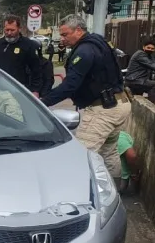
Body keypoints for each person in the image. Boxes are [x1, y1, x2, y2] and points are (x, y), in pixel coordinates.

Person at [41, 15, 131, 177]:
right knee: (109, 153)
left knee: (81, 155)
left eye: (65, 34)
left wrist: (43, 102)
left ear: (78, 30)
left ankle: (79, 196)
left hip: (103, 110)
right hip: (119, 103)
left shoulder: (85, 50)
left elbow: (70, 85)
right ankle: (115, 192)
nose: (62, 39)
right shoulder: (98, 42)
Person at [0, 15, 42, 95]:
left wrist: (35, 90)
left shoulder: (27, 45)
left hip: (21, 90)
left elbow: (36, 69)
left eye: (12, 30)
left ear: (19, 29)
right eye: (7, 30)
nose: (9, 33)